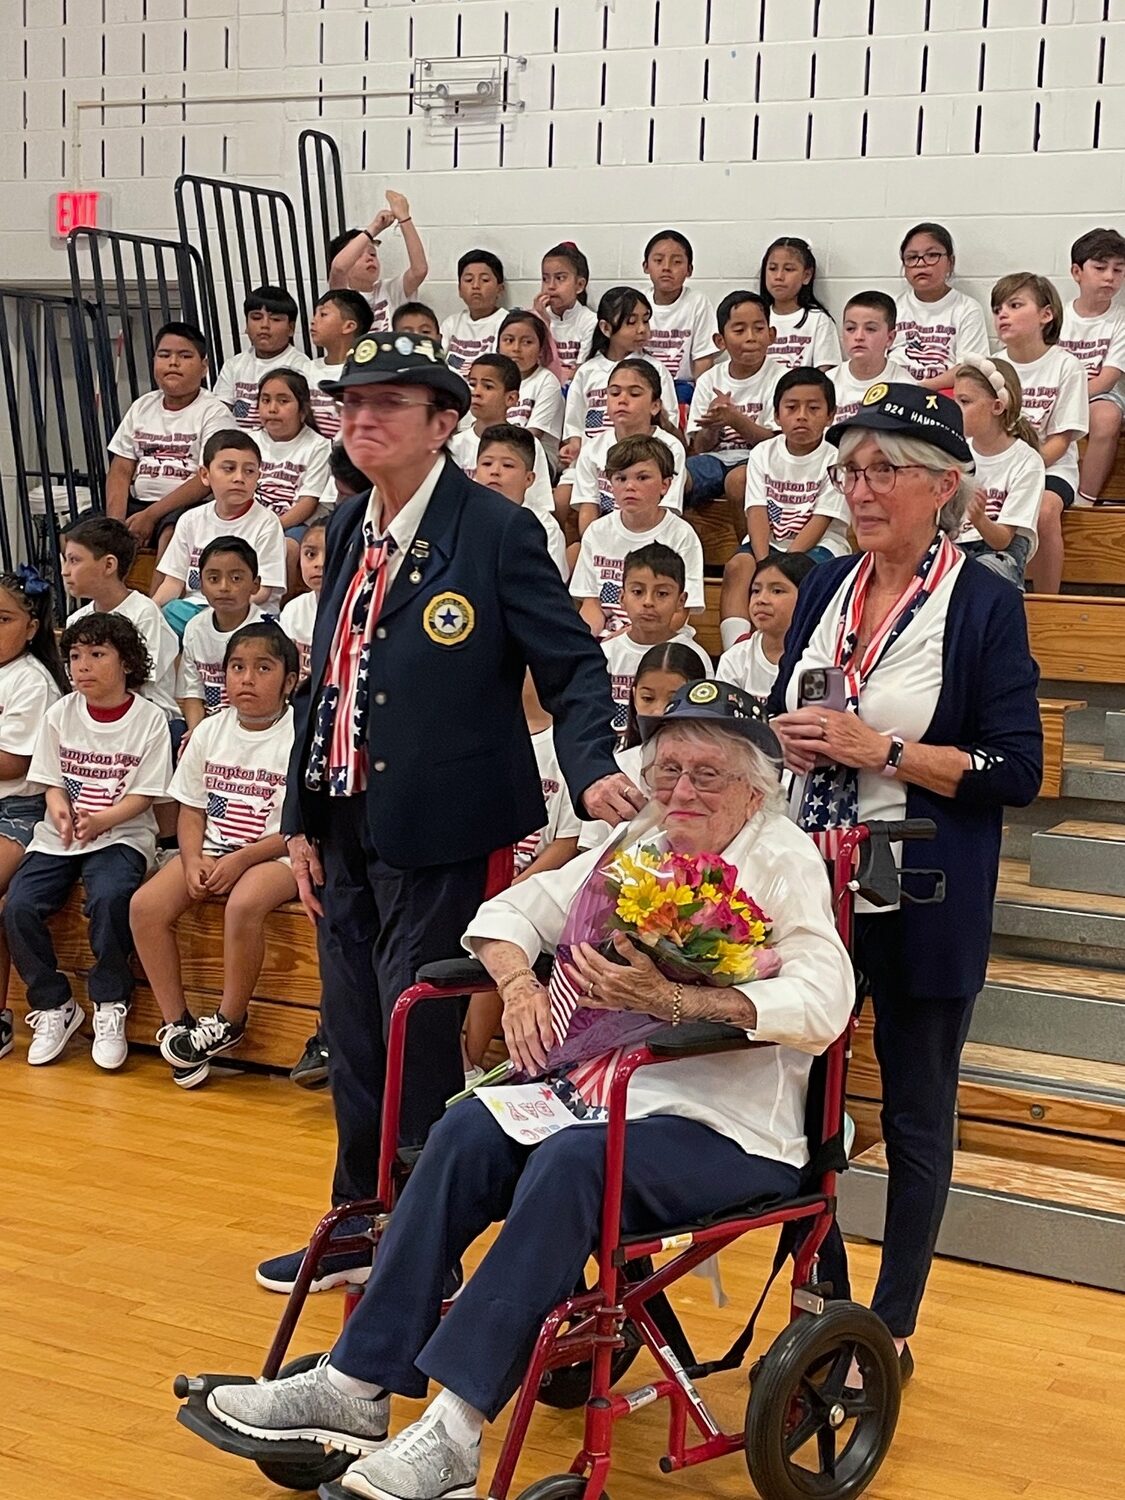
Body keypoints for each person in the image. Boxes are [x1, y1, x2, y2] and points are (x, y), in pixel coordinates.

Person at [205, 683, 854, 1500]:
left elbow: (826, 999)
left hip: (725, 1125)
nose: (681, 791)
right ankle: (354, 1386)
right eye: (667, 771)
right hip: (600, 1096)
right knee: (467, 1131)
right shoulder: (639, 843)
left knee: (573, 1166)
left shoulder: (782, 857)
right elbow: (513, 909)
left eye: (706, 775)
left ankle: (453, 1431)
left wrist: (686, 1003)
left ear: (755, 787)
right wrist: (516, 987)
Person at [259, 331, 639, 1292]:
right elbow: (332, 681)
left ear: (443, 424)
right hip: (346, 819)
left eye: (390, 403)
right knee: (352, 1034)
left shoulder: (497, 529)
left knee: (414, 1033)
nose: (363, 418)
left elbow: (574, 665)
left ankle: (416, 1245)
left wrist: (590, 767)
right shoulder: (346, 525)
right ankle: (358, 1219)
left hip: (447, 823)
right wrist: (302, 813)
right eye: (351, 403)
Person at [770, 383, 1043, 1378]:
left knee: (916, 1110)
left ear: (944, 487)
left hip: (921, 888)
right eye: (852, 471)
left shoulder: (983, 602)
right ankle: (827, 1306)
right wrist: (786, 739)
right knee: (796, 1098)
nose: (863, 488)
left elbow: (1017, 770)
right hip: (815, 882)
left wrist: (880, 748)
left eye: (885, 469)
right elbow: (779, 709)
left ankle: (891, 1331)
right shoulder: (826, 583)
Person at [131, 622, 298, 1088]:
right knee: (145, 907)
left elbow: (295, 828)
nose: (247, 678)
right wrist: (190, 860)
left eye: (263, 668)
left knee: (245, 902)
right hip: (210, 848)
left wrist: (240, 860)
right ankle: (179, 1025)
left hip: (276, 853)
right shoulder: (209, 731)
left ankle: (229, 1018)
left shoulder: (297, 736)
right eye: (237, 668)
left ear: (289, 681)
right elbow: (191, 809)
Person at [5, 613, 170, 1070]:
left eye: (97, 655)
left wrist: (102, 820)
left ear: (127, 662)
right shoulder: (61, 713)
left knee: (112, 896)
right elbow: (50, 782)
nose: (83, 666)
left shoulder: (150, 719)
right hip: (58, 836)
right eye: (75, 656)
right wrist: (58, 806)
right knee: (17, 905)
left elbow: (144, 794)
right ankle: (53, 1004)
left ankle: (111, 1002)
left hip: (122, 834)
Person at [462, 670, 584, 1077]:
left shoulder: (565, 747)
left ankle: (468, 1062)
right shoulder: (479, 735)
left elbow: (566, 843)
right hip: (473, 872)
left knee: (501, 933)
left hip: (529, 881)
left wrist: (515, 887)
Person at [719, 368, 849, 648]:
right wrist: (766, 560)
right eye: (791, 407)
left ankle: (798, 645)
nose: (802, 415)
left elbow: (822, 519)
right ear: (777, 415)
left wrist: (782, 567)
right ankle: (737, 651)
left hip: (819, 546)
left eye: (814, 408)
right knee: (737, 566)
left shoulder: (838, 459)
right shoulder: (763, 453)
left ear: (830, 415)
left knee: (810, 575)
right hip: (770, 545)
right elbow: (756, 510)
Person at [0, 566, 68, 1059]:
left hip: (20, 809)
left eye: (3, 619)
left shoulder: (31, 680)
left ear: (32, 626)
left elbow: (13, 763)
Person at [992, 271, 1088, 594]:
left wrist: (1024, 471)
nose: (1002, 313)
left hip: (1051, 468)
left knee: (1045, 510)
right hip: (997, 469)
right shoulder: (990, 368)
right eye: (997, 308)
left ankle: (1048, 601)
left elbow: (1061, 440)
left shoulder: (1066, 365)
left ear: (1046, 314)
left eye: (1015, 305)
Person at [105, 321, 230, 553]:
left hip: (186, 507)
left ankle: (162, 591)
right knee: (76, 534)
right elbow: (120, 469)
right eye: (164, 355)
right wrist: (115, 525)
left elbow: (207, 479)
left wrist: (151, 515)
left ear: (204, 367)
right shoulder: (142, 406)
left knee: (172, 532)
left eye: (184, 356)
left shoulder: (215, 412)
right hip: (137, 503)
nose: (173, 363)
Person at [152, 429, 286, 636]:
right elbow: (173, 582)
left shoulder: (267, 523)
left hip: (247, 612)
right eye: (229, 469)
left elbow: (262, 591)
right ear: (205, 475)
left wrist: (217, 611)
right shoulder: (190, 520)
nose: (239, 478)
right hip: (193, 610)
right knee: (164, 618)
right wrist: (149, 611)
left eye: (249, 471)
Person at [570, 435, 704, 638]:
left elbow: (679, 613)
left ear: (665, 485)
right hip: (607, 638)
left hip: (661, 639)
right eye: (621, 478)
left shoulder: (682, 535)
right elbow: (592, 605)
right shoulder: (596, 532)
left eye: (642, 478)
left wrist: (627, 638)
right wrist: (585, 643)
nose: (630, 486)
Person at [62, 516, 182, 736]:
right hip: (97, 712)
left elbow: (139, 679)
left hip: (150, 718)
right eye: (65, 561)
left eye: (74, 560)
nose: (65, 571)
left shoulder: (144, 613)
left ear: (109, 564)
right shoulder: (76, 620)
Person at [685, 290, 786, 515]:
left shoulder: (782, 379)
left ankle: (748, 547)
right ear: (720, 341)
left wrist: (735, 419)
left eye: (759, 329)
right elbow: (700, 447)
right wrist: (713, 426)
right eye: (739, 330)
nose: (750, 337)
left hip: (761, 461)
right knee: (676, 476)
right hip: (716, 459)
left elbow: (776, 442)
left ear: (771, 334)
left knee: (737, 480)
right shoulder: (709, 380)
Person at [952, 355, 1046, 588]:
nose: (956, 409)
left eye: (965, 402)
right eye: (955, 401)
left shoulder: (1027, 461)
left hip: (1000, 555)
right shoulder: (955, 452)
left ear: (997, 407)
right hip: (958, 549)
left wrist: (979, 518)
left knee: (978, 578)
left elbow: (1003, 540)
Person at [601, 543, 711, 740]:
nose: (648, 602)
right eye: (637, 592)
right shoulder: (605, 653)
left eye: (662, 594)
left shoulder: (694, 656)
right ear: (622, 597)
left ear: (681, 600)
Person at [563, 358, 687, 533]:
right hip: (606, 536)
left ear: (655, 406)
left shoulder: (671, 448)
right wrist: (593, 546)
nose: (622, 400)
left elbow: (668, 511)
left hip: (652, 539)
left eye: (634, 394)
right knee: (574, 552)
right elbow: (588, 508)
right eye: (614, 393)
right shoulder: (592, 448)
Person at [560, 287, 678, 465]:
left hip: (639, 460)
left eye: (645, 321)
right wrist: (574, 445)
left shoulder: (656, 369)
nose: (641, 329)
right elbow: (574, 424)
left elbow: (668, 422)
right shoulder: (587, 371)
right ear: (606, 328)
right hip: (591, 461)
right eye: (631, 322)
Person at [1058, 227, 1125, 504]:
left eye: (1118, 270)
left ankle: (1085, 500)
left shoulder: (1120, 320)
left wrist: (1070, 401)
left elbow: (1108, 378)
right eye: (1100, 267)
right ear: (1077, 272)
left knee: (1107, 418)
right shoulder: (1056, 316)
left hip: (1100, 395)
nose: (1110, 276)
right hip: (1058, 393)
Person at [447, 354, 556, 519]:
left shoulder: (528, 443)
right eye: (472, 385)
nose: (476, 393)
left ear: (511, 398)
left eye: (488, 387)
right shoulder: (453, 445)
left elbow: (539, 505)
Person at [254, 369, 331, 593]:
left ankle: (280, 605)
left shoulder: (318, 446)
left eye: (283, 401)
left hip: (293, 525)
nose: (272, 408)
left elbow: (307, 504)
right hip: (251, 520)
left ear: (303, 409)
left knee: (287, 547)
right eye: (265, 400)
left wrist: (270, 527)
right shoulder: (248, 441)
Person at [176, 539, 265, 729]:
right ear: (201, 583)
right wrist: (196, 734)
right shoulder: (194, 628)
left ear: (255, 584)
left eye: (236, 578)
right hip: (207, 727)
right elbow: (193, 694)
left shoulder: (266, 632)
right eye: (214, 579)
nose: (224, 587)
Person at [890, 222, 989, 388]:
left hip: (945, 395)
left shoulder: (967, 309)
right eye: (912, 257)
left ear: (950, 262)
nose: (921, 263)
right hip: (894, 393)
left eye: (932, 255)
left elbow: (971, 368)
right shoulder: (892, 308)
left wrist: (920, 388)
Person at [717, 550, 816, 701]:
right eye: (756, 590)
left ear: (807, 597)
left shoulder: (819, 657)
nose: (761, 599)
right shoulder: (734, 659)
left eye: (777, 591)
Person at [212, 286, 313, 431]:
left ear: (291, 328)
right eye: (256, 318)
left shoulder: (302, 367)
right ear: (246, 325)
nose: (264, 325)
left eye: (275, 319)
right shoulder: (233, 365)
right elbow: (220, 415)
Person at [474, 424, 569, 578]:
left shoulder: (546, 529)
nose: (495, 471)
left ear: (529, 479)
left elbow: (545, 593)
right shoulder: (458, 518)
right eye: (486, 464)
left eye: (507, 465)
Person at [327, 189, 428, 330]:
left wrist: (404, 218)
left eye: (373, 253)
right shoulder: (342, 295)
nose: (370, 258)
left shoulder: (390, 289)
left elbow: (419, 270)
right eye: (359, 254)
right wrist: (375, 228)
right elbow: (338, 268)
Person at [641, 228, 717, 385]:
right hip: (643, 385)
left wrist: (701, 397)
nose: (666, 267)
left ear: (689, 270)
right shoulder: (637, 302)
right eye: (658, 260)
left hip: (682, 386)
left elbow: (703, 359)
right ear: (646, 266)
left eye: (676, 262)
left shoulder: (698, 303)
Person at [826, 292, 916, 423]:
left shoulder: (906, 387)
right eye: (850, 328)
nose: (858, 337)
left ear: (890, 338)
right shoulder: (828, 382)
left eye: (870, 329)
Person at [758, 236, 841, 370]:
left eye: (789, 269)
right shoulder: (756, 317)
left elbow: (825, 374)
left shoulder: (818, 320)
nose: (779, 276)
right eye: (772, 268)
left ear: (806, 276)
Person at [497, 309, 566, 466]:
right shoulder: (493, 379)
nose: (516, 348)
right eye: (508, 340)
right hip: (495, 454)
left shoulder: (547, 381)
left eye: (527, 342)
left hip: (536, 459)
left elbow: (532, 436)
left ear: (541, 350)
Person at [308, 289, 375, 439]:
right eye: (315, 314)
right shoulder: (305, 369)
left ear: (349, 326)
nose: (313, 321)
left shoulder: (365, 374)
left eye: (323, 314)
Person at [534, 241, 598, 381]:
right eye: (545, 279)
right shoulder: (535, 319)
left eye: (560, 278)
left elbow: (580, 373)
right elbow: (532, 367)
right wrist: (542, 323)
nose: (551, 286)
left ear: (580, 285)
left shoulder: (590, 321)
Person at [439, 249, 508, 375]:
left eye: (485, 280)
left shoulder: (507, 323)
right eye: (469, 280)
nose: (476, 286)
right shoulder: (451, 323)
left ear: (500, 289)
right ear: (459, 289)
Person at [279, 516, 327, 682]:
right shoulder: (293, 610)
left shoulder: (359, 611)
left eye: (330, 554)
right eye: (310, 554)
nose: (319, 563)